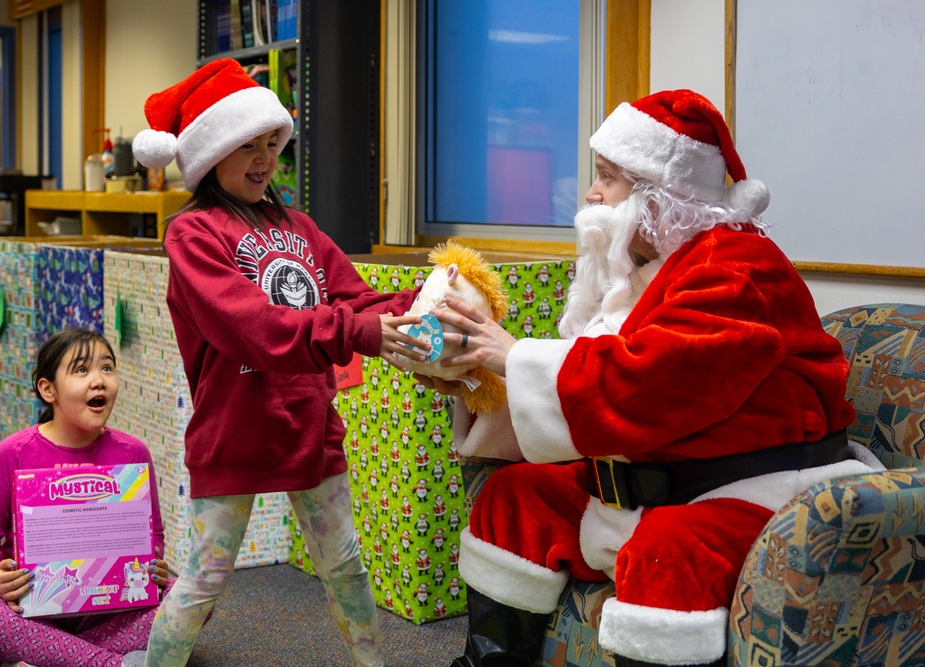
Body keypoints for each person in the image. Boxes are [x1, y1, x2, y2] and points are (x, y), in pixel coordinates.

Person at [419, 89, 882, 667]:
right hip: (652, 475)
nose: (591, 194)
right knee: (518, 499)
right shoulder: (641, 269)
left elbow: (650, 385)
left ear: (662, 196)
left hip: (750, 486)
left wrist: (510, 355)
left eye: (608, 178)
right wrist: (482, 377)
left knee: (670, 553)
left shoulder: (739, 268)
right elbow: (589, 389)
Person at [128, 58, 430, 667]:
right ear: (211, 151)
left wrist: (431, 298)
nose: (266, 159)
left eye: (273, 143)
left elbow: (354, 298)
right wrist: (360, 332)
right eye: (249, 145)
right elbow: (255, 329)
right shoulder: (192, 234)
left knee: (344, 566)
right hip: (233, 434)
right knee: (206, 578)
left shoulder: (301, 227)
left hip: (310, 428)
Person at [0, 328, 173, 667]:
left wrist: (154, 563)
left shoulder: (133, 452)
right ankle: (112, 662)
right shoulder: (13, 452)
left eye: (107, 368)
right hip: (31, 615)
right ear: (48, 390)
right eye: (82, 370)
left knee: (192, 596)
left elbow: (152, 533)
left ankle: (48, 656)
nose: (99, 380)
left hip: (109, 611)